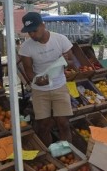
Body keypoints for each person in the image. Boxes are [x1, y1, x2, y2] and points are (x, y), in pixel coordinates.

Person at [18, 12, 77, 146]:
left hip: (59, 86)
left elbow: (73, 62)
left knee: (63, 123)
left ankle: (66, 152)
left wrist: (67, 61)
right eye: (29, 32)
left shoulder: (60, 39)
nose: (32, 34)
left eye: (34, 30)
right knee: (43, 125)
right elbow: (28, 69)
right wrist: (36, 80)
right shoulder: (26, 47)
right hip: (39, 90)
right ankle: (49, 156)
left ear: (43, 25)